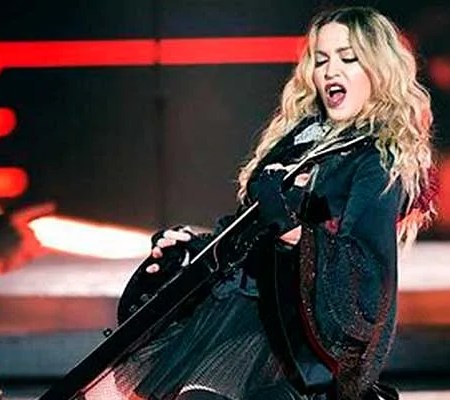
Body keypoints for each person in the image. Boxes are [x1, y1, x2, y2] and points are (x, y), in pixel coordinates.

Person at [111, 6, 436, 400]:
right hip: (239, 315)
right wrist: (195, 245)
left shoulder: (375, 160)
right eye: (321, 60)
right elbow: (251, 237)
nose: (330, 71)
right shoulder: (301, 138)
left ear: (379, 68)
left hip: (291, 340)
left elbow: (365, 274)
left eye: (348, 58)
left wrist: (290, 228)